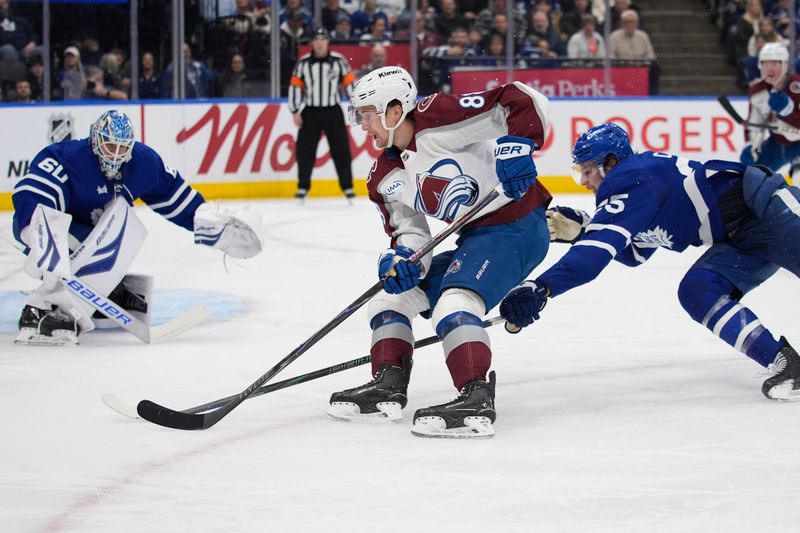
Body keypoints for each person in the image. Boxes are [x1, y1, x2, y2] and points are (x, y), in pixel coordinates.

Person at [499, 122, 800, 401]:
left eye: (588, 170)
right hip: (742, 239)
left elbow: (592, 259)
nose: (583, 181)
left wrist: (540, 287)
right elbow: (635, 254)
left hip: (772, 211)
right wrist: (585, 230)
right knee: (699, 290)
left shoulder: (631, 177)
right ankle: (784, 362)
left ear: (611, 163)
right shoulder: (640, 182)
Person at [328, 66, 552, 438]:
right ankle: (388, 384)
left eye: (367, 115)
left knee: (454, 302)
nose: (362, 125)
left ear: (394, 110)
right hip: (476, 238)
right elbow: (410, 233)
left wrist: (519, 146)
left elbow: (520, 99)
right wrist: (404, 261)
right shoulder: (383, 175)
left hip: (518, 225)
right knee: (391, 300)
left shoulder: (437, 118)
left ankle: (475, 395)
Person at [11, 110, 263, 345]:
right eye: (110, 146)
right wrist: (41, 236)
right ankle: (41, 310)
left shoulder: (142, 162)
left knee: (120, 228)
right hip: (49, 231)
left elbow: (173, 194)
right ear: (96, 140)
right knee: (74, 244)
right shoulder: (66, 157)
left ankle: (102, 293)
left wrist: (214, 227)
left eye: (123, 148)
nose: (116, 154)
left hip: (92, 235)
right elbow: (33, 193)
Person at [288, 27, 356, 203]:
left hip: (333, 110)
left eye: (322, 39)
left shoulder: (339, 61)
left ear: (327, 42)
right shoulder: (303, 63)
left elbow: (350, 84)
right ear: (312, 42)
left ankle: (347, 187)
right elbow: (295, 87)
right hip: (310, 112)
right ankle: (303, 187)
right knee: (305, 151)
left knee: (341, 149)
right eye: (316, 39)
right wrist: (295, 110)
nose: (319, 43)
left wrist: (357, 104)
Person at [741, 42, 800, 181]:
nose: (769, 69)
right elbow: (754, 123)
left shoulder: (797, 87)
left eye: (774, 64)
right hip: (778, 143)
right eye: (765, 64)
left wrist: (787, 112)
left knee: (798, 179)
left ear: (784, 65)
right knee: (751, 178)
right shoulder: (757, 91)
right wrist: (751, 145)